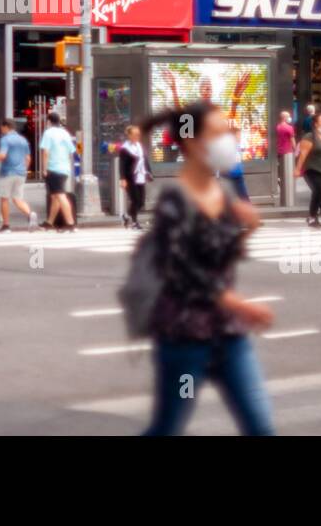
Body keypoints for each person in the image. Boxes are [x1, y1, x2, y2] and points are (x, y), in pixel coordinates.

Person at [140, 102, 276, 436]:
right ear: (190, 142)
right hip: (185, 340)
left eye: (228, 132)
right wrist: (236, 303)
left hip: (229, 336)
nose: (228, 139)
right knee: (168, 427)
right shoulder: (174, 200)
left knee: (259, 426)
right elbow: (179, 270)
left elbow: (224, 255)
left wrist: (248, 228)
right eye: (218, 133)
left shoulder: (226, 192)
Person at [0, 118, 38, 232]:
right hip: (21, 173)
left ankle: (6, 226)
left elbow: (2, 155)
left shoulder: (5, 139)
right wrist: (23, 170)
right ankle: (31, 215)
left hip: (8, 173)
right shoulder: (23, 140)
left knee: (4, 199)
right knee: (17, 199)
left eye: (2, 127)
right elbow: (28, 158)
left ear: (6, 127)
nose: (1, 129)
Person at [40, 112, 77, 232]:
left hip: (53, 168)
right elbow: (72, 150)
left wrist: (44, 169)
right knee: (56, 195)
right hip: (64, 168)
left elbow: (45, 152)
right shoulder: (65, 133)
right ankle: (49, 222)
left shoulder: (48, 133)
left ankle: (70, 223)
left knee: (60, 195)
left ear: (49, 122)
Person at [117, 124, 152, 230]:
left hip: (140, 176)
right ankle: (134, 222)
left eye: (139, 134)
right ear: (129, 135)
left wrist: (148, 172)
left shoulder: (139, 146)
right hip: (130, 177)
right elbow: (122, 164)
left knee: (141, 201)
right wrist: (122, 179)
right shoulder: (125, 148)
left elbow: (144, 159)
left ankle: (127, 216)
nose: (138, 136)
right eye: (135, 134)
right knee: (135, 199)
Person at [275, 111, 296, 205]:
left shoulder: (278, 127)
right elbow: (293, 140)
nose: (290, 118)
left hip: (279, 151)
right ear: (285, 117)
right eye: (288, 116)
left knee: (281, 170)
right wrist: (296, 150)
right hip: (288, 152)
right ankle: (287, 189)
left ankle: (280, 180)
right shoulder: (289, 128)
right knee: (288, 173)